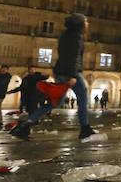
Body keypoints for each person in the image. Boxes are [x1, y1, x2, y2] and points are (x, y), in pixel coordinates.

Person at [10, 13, 98, 141]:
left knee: (54, 103)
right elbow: (73, 57)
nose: (87, 24)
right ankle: (85, 129)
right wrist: (73, 75)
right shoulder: (76, 37)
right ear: (80, 24)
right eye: (85, 22)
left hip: (60, 71)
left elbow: (64, 55)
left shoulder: (65, 35)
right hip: (71, 72)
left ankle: (25, 125)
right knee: (83, 99)